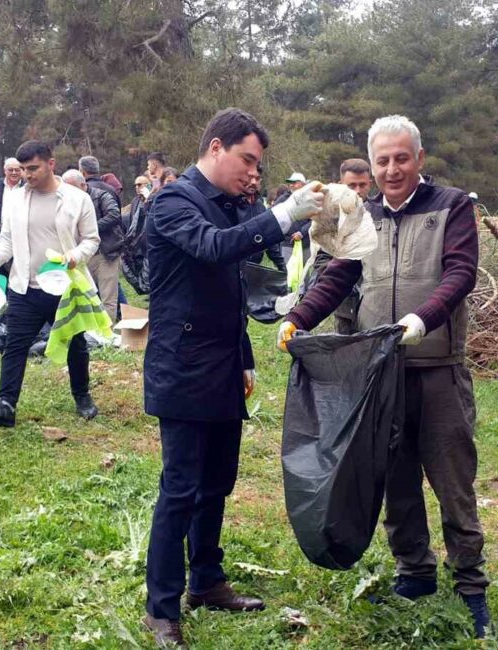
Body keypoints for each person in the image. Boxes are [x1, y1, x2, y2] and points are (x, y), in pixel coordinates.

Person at [277, 115, 492, 639]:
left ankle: (470, 584)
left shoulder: (452, 206)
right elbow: (340, 275)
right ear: (371, 166)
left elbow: (462, 271)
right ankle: (413, 570)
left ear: (419, 158)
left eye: (401, 157)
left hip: (437, 366)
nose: (392, 169)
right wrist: (298, 317)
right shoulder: (363, 215)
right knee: (394, 475)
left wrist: (421, 319)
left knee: (453, 480)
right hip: (380, 372)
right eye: (382, 160)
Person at [141, 107, 324, 647]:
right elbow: (214, 249)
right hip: (182, 365)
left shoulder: (226, 205)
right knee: (180, 487)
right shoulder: (175, 200)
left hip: (221, 362)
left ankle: (207, 581)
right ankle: (162, 605)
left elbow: (229, 289)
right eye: (247, 159)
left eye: (259, 165)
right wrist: (286, 212)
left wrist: (244, 355)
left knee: (218, 482)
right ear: (215, 148)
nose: (253, 173)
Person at [0, 140, 101, 428]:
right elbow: (7, 238)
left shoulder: (76, 198)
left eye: (33, 169)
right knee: (15, 345)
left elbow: (92, 239)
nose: (27, 175)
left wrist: (74, 257)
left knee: (75, 343)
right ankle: (6, 404)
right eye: (23, 170)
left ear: (50, 164)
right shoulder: (15, 198)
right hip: (24, 288)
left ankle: (82, 396)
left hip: (64, 287)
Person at [307, 158, 376, 334]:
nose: (358, 191)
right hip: (345, 305)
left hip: (376, 305)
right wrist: (339, 273)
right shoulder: (330, 218)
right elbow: (321, 258)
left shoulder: (379, 213)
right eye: (352, 186)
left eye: (363, 185)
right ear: (341, 184)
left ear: (370, 183)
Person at [63, 169, 124, 323]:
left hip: (106, 252)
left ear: (83, 185)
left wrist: (90, 229)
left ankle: (107, 333)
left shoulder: (102, 195)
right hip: (82, 255)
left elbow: (114, 214)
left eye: (71, 188)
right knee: (84, 295)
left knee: (108, 296)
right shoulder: (66, 201)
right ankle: (89, 331)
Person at [240, 164, 286, 270]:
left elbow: (268, 236)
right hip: (234, 270)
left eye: (257, 178)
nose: (253, 182)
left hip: (255, 269)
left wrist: (282, 266)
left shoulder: (260, 206)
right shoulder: (232, 204)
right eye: (250, 178)